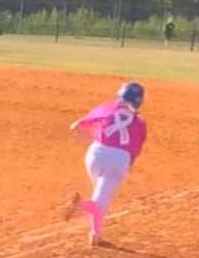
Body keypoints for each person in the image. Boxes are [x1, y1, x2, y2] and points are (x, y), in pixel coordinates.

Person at [63, 82, 147, 248]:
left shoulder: (108, 108)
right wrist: (128, 164)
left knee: (99, 198)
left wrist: (80, 125)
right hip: (118, 159)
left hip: (95, 154)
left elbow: (82, 122)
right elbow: (136, 149)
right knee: (99, 204)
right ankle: (80, 206)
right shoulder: (140, 122)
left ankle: (96, 234)